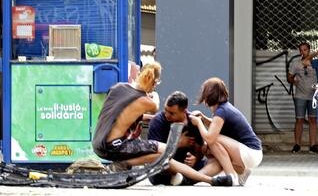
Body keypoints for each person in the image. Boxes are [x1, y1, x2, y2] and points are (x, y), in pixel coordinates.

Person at [92, 62, 232, 186]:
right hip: (115, 147)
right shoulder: (147, 101)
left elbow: (121, 115)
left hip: (98, 143)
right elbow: (155, 106)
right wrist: (153, 97)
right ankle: (124, 163)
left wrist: (142, 120)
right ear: (154, 83)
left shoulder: (117, 87)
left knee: (160, 157)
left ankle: (211, 181)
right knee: (167, 150)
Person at [190, 77, 263, 186]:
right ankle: (242, 172)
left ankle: (231, 176)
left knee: (212, 141)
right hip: (251, 153)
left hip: (250, 152)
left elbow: (210, 138)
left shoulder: (222, 111)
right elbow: (216, 125)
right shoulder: (224, 109)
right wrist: (203, 118)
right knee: (211, 146)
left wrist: (199, 123)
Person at [147, 91, 208, 185]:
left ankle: (186, 179)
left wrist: (195, 158)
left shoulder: (193, 122)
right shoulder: (157, 122)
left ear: (184, 111)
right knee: (164, 166)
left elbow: (200, 148)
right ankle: (190, 178)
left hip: (189, 167)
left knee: (213, 160)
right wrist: (178, 143)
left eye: (171, 113)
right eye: (165, 110)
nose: (167, 115)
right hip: (164, 170)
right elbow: (154, 155)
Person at [287, 42, 318, 154]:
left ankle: (313, 145)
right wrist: (294, 81)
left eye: (305, 49)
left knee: (313, 120)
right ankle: (297, 144)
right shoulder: (296, 64)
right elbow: (289, 78)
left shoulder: (316, 63)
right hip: (300, 95)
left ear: (309, 50)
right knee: (299, 119)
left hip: (314, 96)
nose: (303, 52)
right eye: (301, 50)